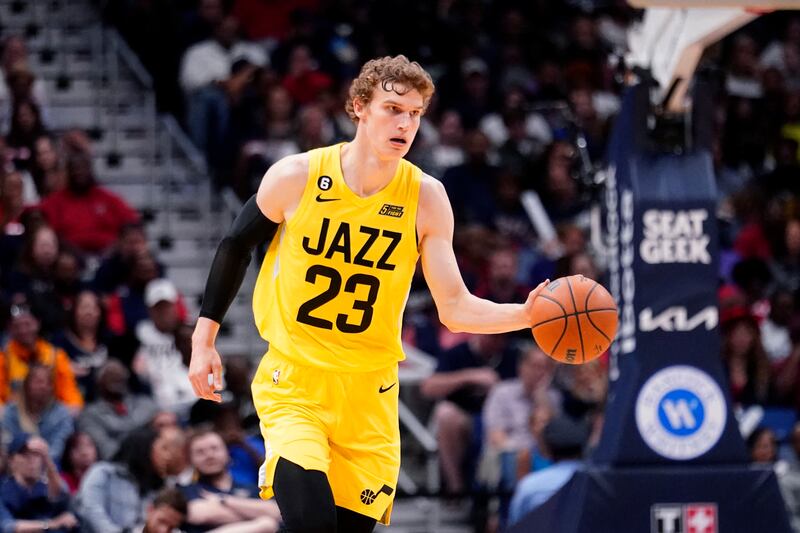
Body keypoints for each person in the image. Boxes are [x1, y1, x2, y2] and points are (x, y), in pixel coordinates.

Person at [189, 55, 549, 533]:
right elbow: (236, 244)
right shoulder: (298, 175)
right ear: (359, 107)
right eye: (393, 109)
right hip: (296, 383)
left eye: (415, 114)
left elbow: (455, 308)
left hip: (369, 396)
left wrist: (527, 314)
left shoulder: (425, 197)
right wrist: (203, 340)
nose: (405, 124)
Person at [179, 430, 281, 532]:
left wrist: (223, 500)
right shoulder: (185, 491)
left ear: (228, 452)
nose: (209, 455)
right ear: (190, 459)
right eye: (200, 452)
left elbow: (276, 512)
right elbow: (200, 514)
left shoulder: (253, 489)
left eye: (214, 448)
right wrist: (258, 516)